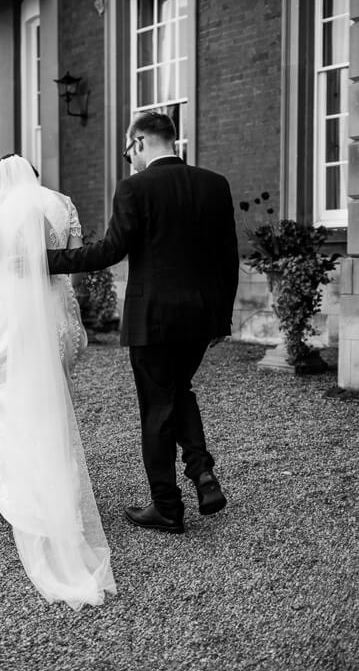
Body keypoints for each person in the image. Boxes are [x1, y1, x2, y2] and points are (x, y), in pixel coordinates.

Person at [47, 111, 240, 535]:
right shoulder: (214, 184)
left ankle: (167, 507)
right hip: (200, 317)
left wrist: (48, 260)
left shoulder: (135, 188)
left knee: (156, 406)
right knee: (178, 390)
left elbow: (109, 251)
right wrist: (221, 319)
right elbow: (228, 258)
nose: (126, 160)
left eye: (125, 151)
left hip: (153, 319)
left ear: (138, 143)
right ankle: (202, 472)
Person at [0, 154, 115, 610]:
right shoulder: (61, 202)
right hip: (55, 308)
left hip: (13, 307)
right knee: (54, 398)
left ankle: (21, 490)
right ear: (34, 174)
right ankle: (61, 486)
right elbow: (71, 257)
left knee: (10, 395)